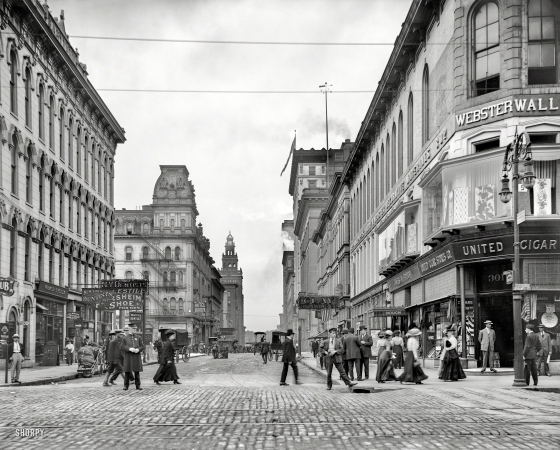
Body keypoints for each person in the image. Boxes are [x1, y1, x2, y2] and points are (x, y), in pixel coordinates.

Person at [121, 325, 145, 390]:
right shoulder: (125, 338)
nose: (134, 329)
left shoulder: (138, 337)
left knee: (137, 372)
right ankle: (126, 385)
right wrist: (129, 349)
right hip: (128, 356)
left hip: (136, 356)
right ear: (129, 329)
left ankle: (138, 385)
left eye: (135, 328)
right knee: (127, 372)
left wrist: (138, 349)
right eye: (133, 328)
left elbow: (143, 346)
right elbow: (122, 347)